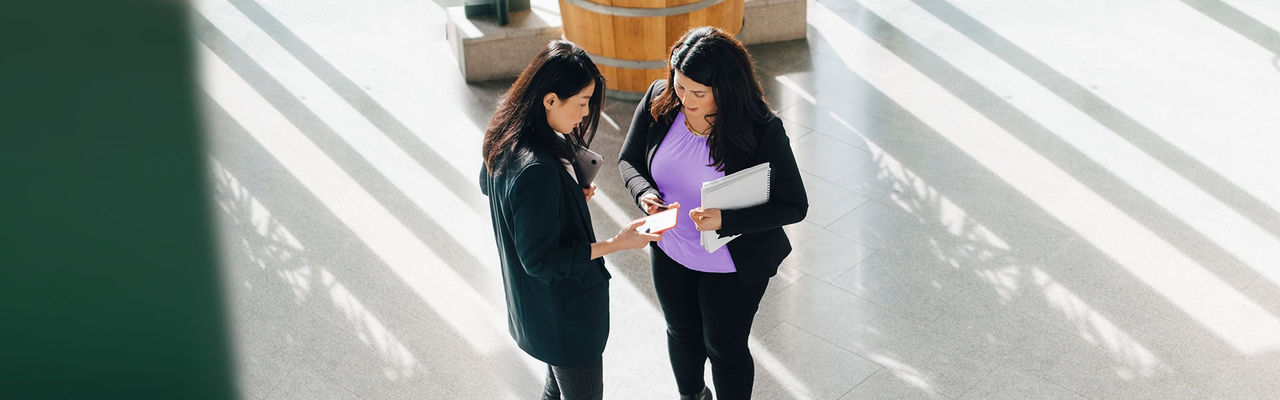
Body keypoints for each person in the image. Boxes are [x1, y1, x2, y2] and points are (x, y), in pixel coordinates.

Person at [617, 26, 808, 400]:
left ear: (726, 90)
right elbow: (630, 160)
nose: (685, 98)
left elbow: (794, 205)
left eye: (698, 93)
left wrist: (726, 219)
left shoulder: (761, 130)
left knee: (725, 349)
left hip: (731, 265)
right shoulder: (661, 99)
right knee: (681, 332)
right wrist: (645, 194)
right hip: (671, 250)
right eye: (680, 86)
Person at [480, 40, 662, 400]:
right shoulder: (537, 169)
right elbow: (543, 261)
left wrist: (564, 199)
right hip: (564, 316)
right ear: (549, 100)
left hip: (539, 311)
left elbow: (492, 187)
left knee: (554, 387)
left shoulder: (505, 135)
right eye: (581, 103)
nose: (585, 113)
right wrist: (617, 243)